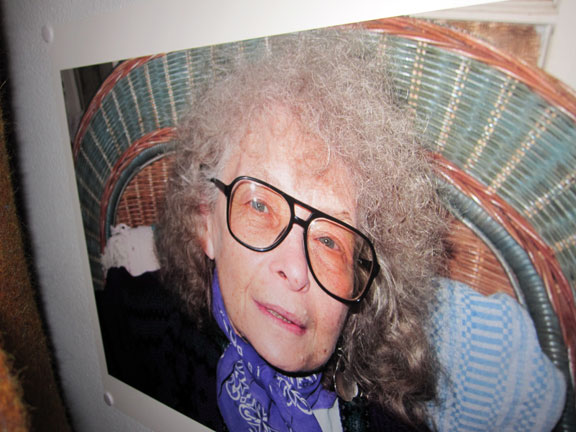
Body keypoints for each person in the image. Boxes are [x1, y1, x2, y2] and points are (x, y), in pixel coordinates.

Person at [99, 29, 566, 432]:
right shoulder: (128, 341)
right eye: (260, 205)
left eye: (329, 240)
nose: (296, 269)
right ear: (206, 221)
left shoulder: (388, 420)